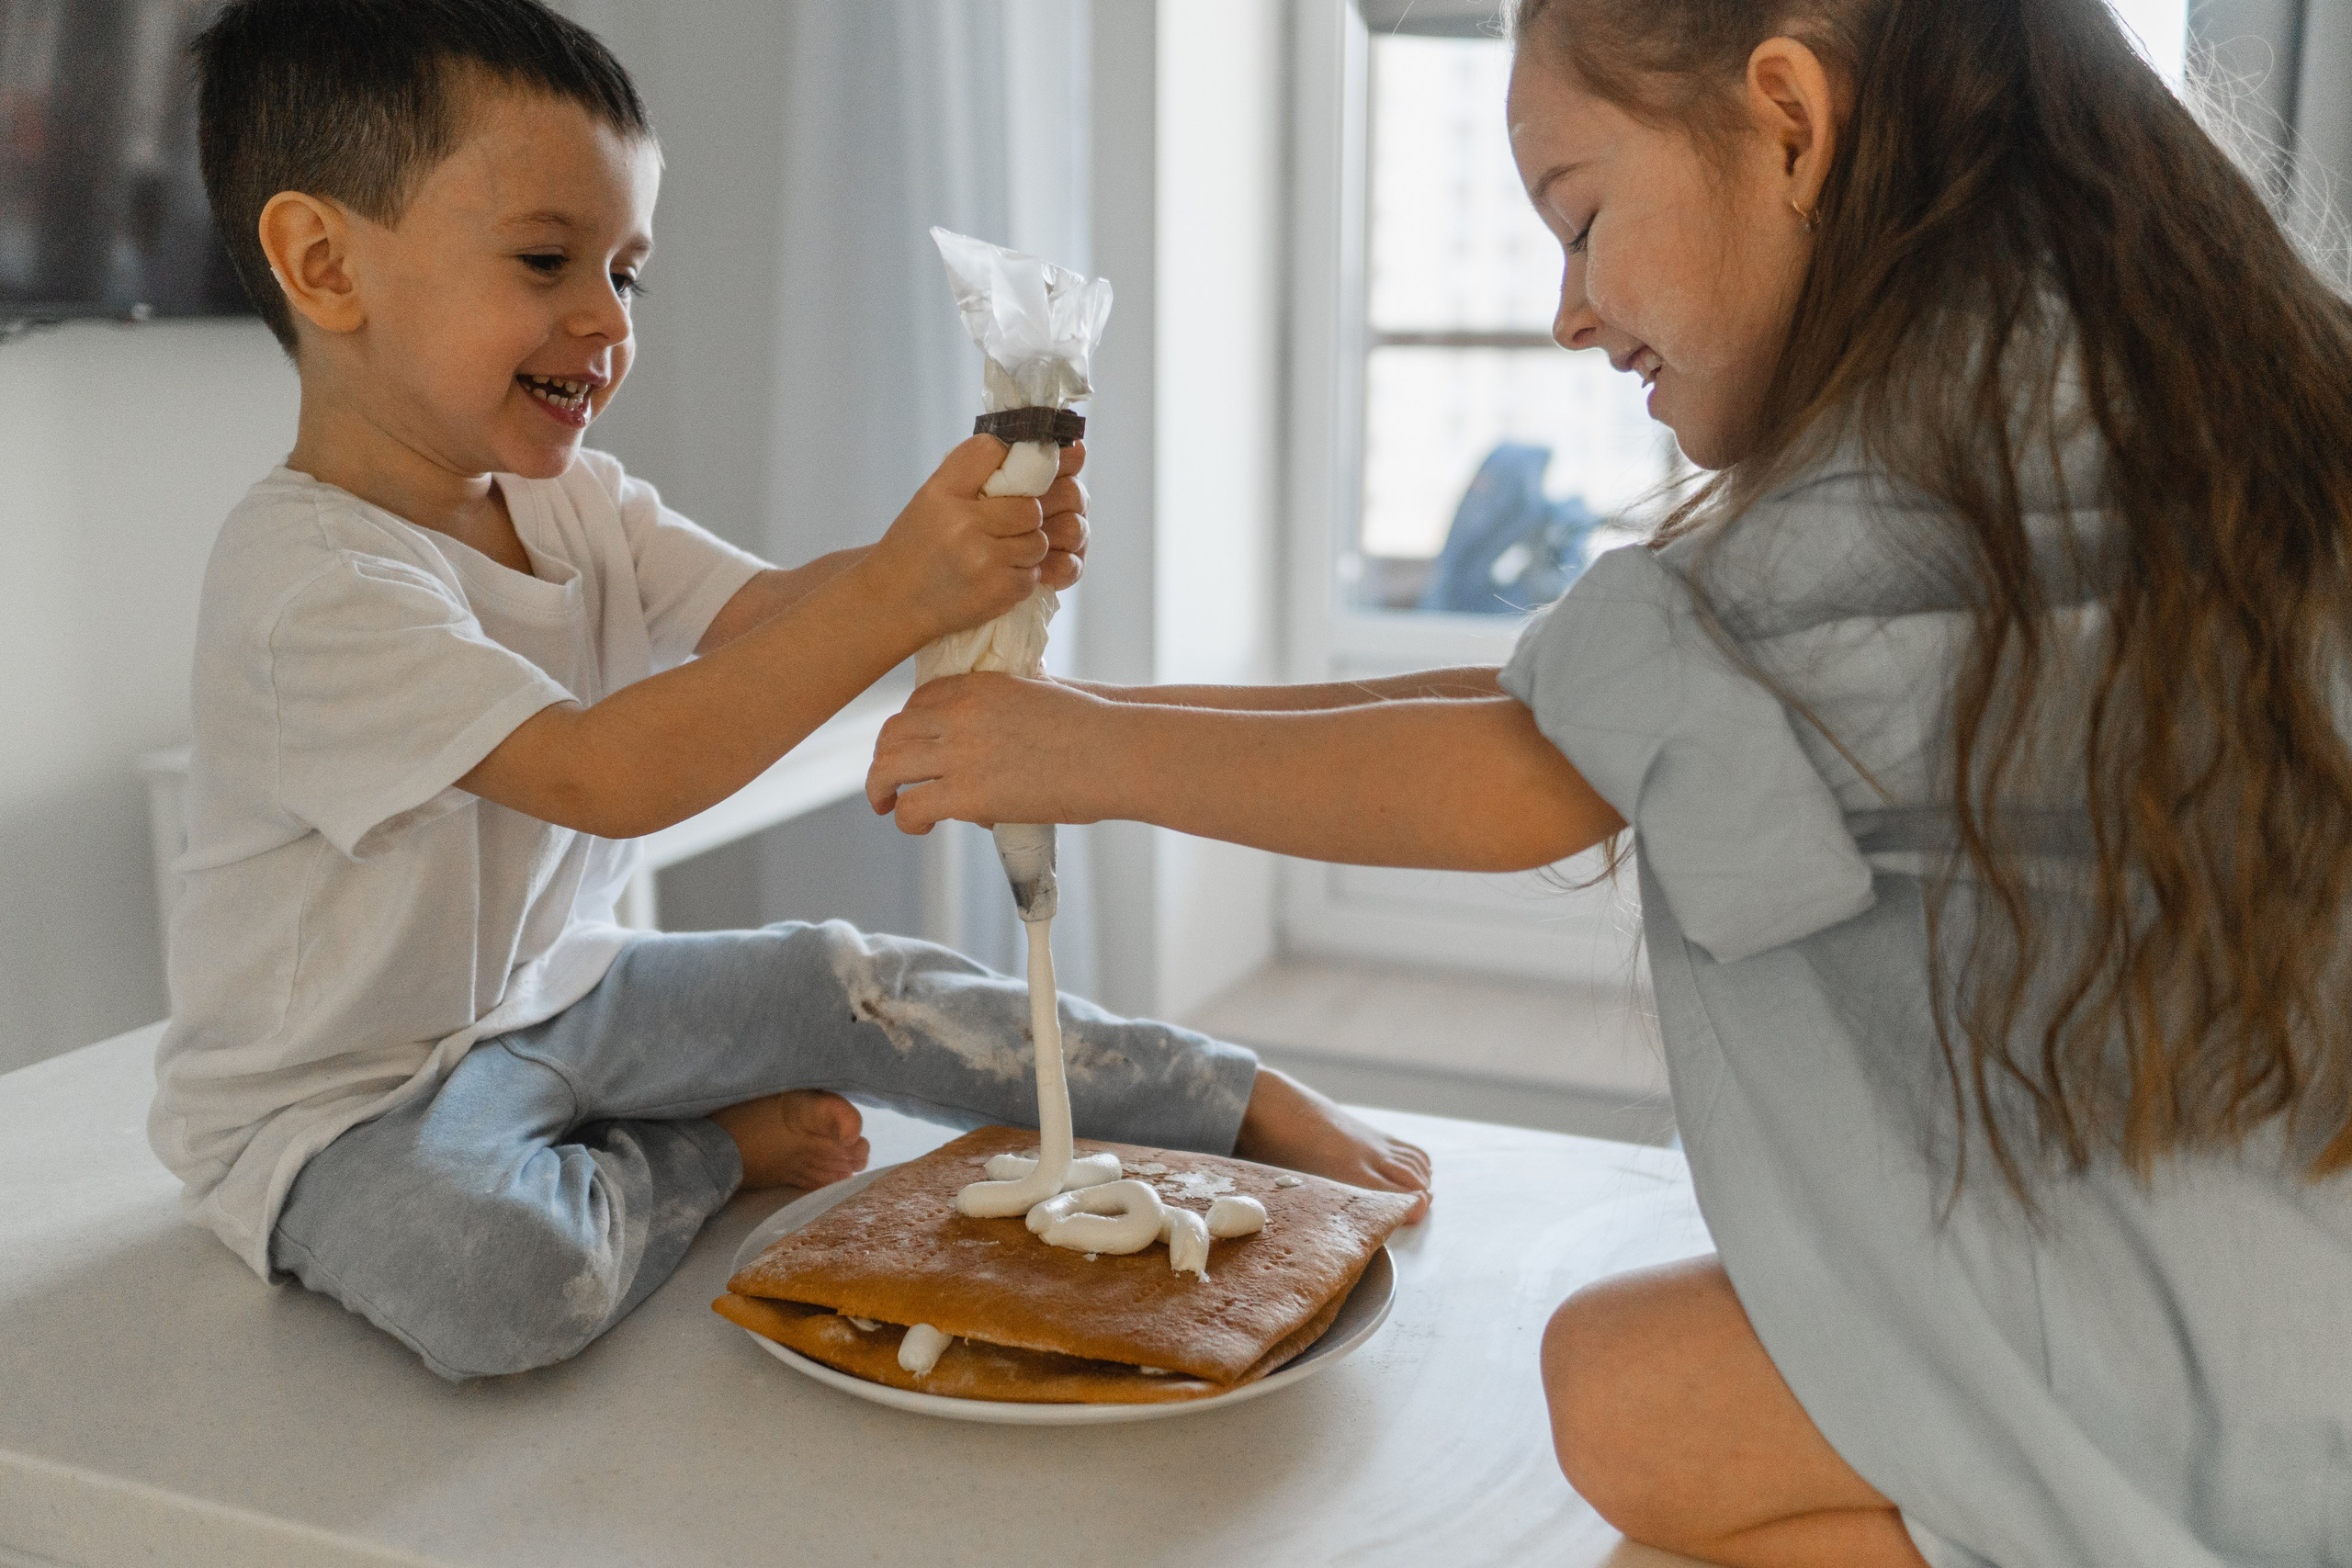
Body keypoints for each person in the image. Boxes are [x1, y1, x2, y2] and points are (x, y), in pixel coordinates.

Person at [865, 0, 2352, 1562]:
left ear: (1791, 124)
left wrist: (1084, 753)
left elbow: (1528, 777)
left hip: (2222, 1340)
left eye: (1581, 224)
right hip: (2275, 1261)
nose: (1569, 315)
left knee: (1616, 1397)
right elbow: (1550, 711)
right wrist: (1085, 714)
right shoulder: (2111, 376)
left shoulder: (1932, 433)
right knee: (1639, 1387)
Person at [154, 0, 1429, 1385]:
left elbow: (773, 616)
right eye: (546, 260)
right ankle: (698, 1148)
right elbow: (602, 773)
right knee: (503, 1281)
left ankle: (1227, 1100)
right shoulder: (312, 582)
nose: (606, 319)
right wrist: (899, 591)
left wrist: (948, 559)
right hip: (351, 1108)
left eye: (626, 275)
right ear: (324, 262)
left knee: (852, 984)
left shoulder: (571, 499)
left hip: (559, 999)